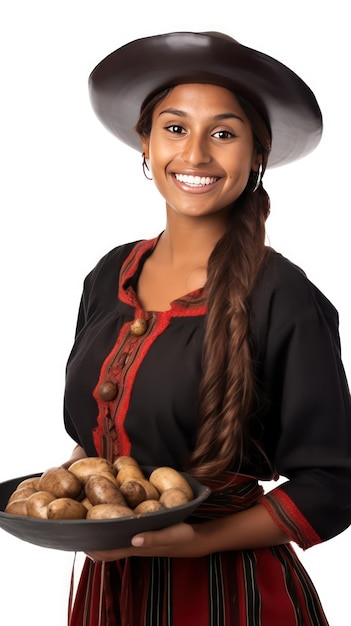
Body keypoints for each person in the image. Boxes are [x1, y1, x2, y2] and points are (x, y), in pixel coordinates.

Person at [62, 31, 351, 626]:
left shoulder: (282, 296)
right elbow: (102, 437)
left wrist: (196, 541)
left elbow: (334, 482)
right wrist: (76, 499)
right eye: (174, 128)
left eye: (223, 133)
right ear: (145, 142)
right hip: (110, 590)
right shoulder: (108, 275)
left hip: (233, 594)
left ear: (256, 156)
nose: (194, 154)